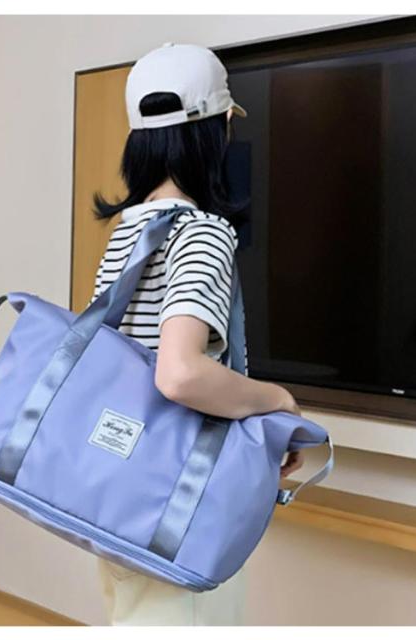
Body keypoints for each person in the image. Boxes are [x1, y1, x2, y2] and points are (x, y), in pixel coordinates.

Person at [88, 42, 304, 626]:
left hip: (114, 487)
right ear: (214, 131)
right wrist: (279, 402)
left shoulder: (129, 231)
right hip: (176, 498)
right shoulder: (202, 232)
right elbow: (180, 372)